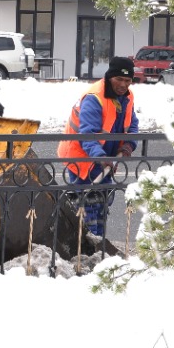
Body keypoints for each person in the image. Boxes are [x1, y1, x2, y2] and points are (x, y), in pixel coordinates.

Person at [58, 56, 139, 238]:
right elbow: (88, 135)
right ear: (110, 77)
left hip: (105, 160)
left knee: (102, 203)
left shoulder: (127, 97)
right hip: (81, 158)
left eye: (127, 81)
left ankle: (98, 244)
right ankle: (85, 248)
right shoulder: (94, 99)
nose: (123, 85)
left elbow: (132, 126)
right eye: (119, 79)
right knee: (87, 206)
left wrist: (128, 146)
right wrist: (101, 157)